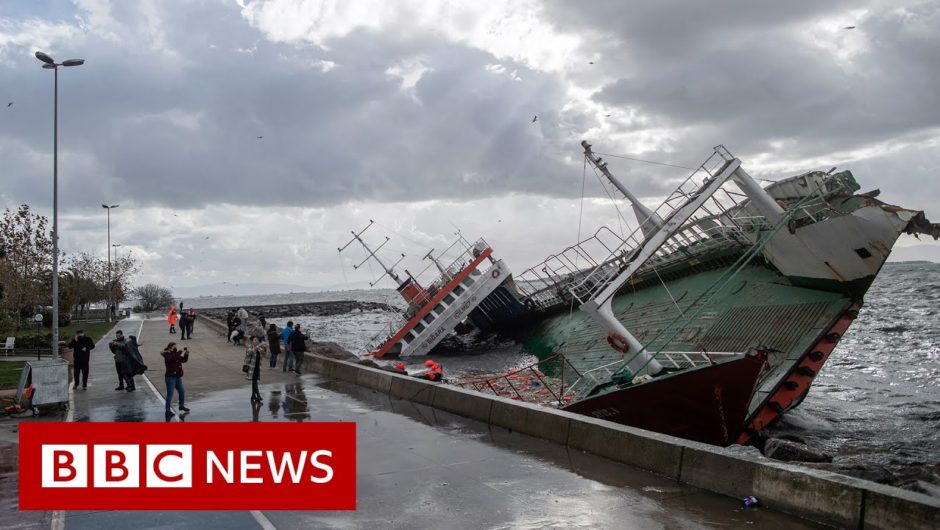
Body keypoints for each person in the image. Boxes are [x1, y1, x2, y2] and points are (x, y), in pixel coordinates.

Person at [161, 342, 190, 415]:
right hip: (170, 377)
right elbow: (171, 358)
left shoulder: (176, 354)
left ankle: (181, 406)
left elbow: (183, 360)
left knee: (182, 391)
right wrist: (180, 351)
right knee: (170, 394)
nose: (176, 348)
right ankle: (167, 410)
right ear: (170, 347)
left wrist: (186, 354)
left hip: (177, 377)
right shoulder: (167, 354)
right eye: (174, 346)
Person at [249, 337, 264, 403]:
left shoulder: (259, 348)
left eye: (257, 340)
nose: (256, 341)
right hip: (252, 368)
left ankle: (253, 395)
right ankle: (258, 396)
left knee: (254, 381)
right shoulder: (250, 347)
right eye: (255, 340)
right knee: (255, 382)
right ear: (252, 341)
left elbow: (263, 353)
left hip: (257, 367)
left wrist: (264, 347)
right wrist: (257, 347)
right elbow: (250, 352)